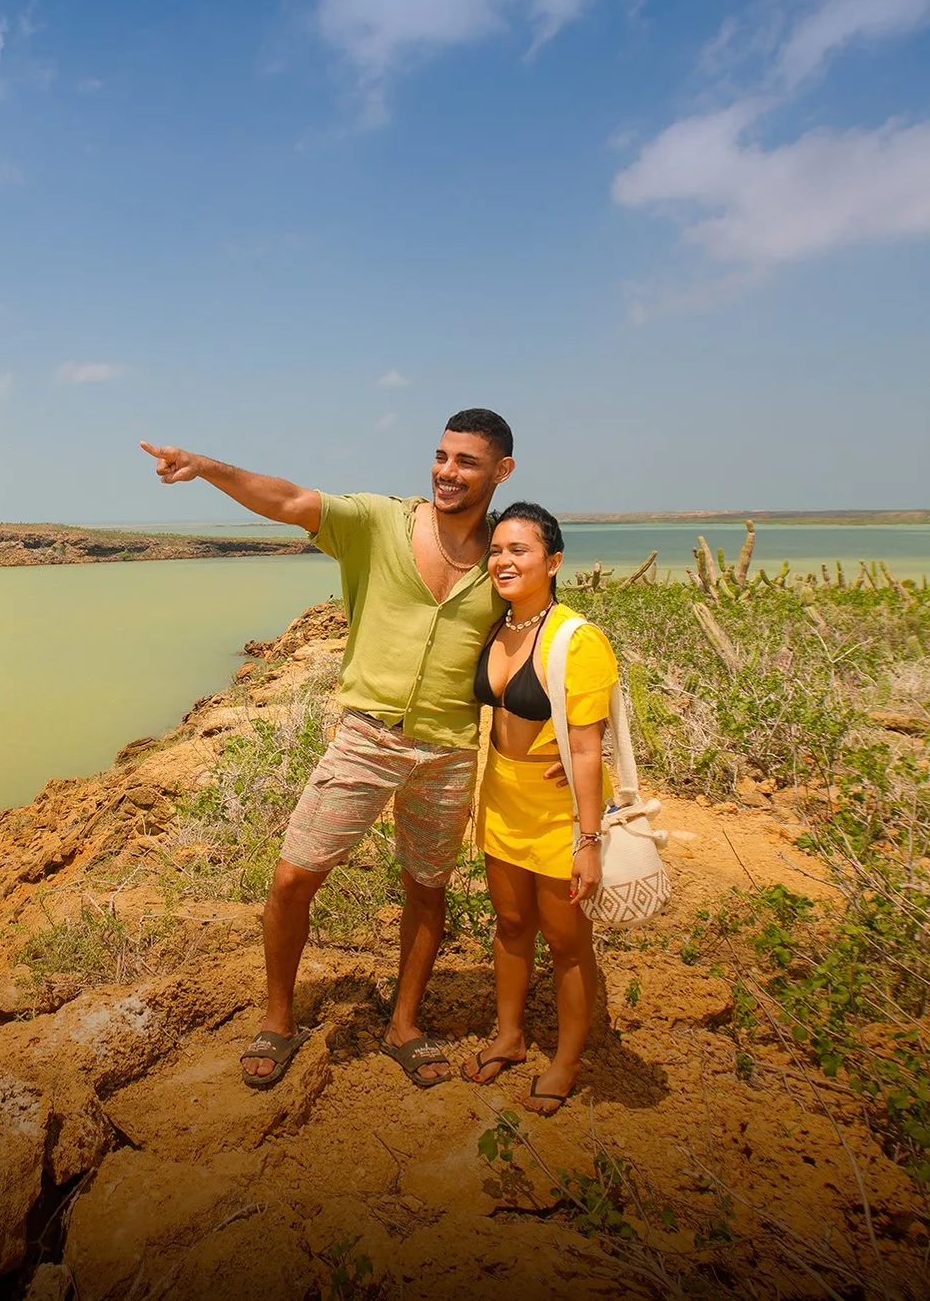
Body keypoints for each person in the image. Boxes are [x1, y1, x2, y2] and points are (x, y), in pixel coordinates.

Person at [140, 411, 515, 1090]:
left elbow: (531, 645)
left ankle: (404, 1025)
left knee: (427, 891)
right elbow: (286, 500)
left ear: (500, 473)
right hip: (367, 737)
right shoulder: (379, 522)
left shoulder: (502, 556)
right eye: (441, 456)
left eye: (465, 461)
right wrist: (207, 467)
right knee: (292, 878)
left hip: (450, 750)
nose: (446, 471)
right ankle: (278, 1019)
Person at [461, 500, 615, 1115]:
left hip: (557, 811)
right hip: (501, 796)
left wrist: (589, 839)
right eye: (495, 550)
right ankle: (510, 1035)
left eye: (518, 550)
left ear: (552, 562)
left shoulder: (576, 638)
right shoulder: (496, 626)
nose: (502, 560)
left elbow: (586, 745)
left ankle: (568, 1057)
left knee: (565, 938)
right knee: (511, 925)